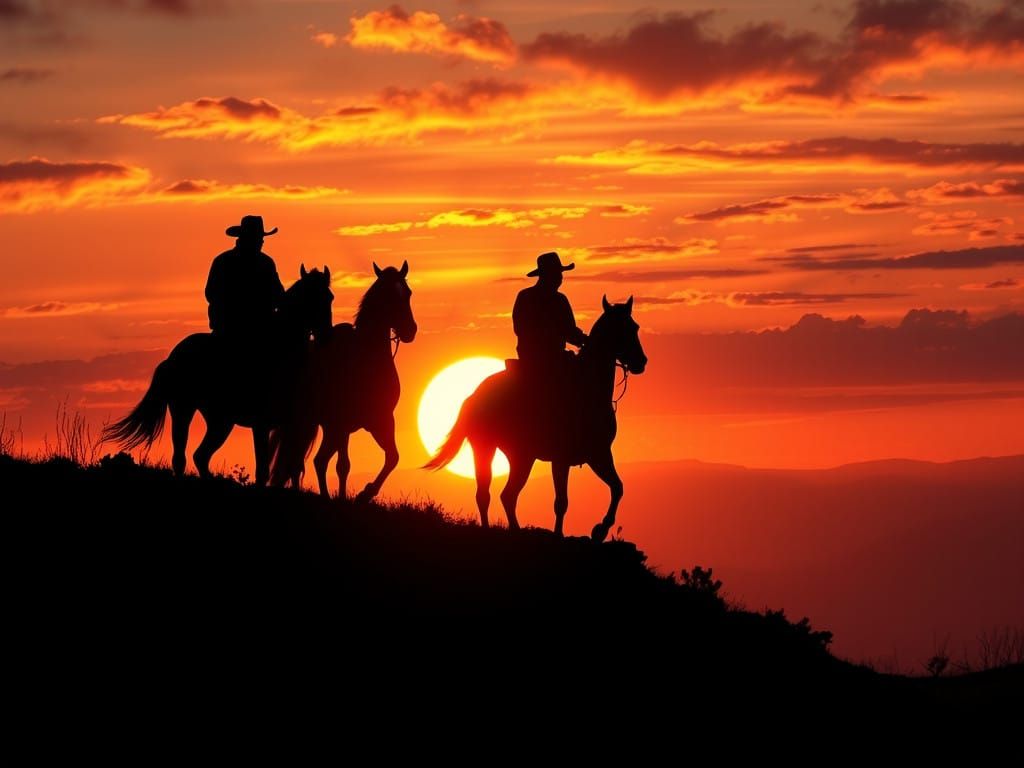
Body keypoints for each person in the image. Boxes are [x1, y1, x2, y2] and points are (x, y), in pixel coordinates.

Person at [205, 215, 285, 344]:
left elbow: (278, 295)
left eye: (261, 238)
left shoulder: (266, 263)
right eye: (258, 238)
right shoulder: (224, 262)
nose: (261, 241)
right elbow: (211, 294)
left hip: (263, 326)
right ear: (246, 238)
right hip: (229, 327)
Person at [512, 251, 587, 378]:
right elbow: (521, 329)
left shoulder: (559, 299)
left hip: (555, 356)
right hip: (533, 358)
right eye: (557, 273)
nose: (560, 277)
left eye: (560, 274)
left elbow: (570, 330)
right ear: (546, 275)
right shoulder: (527, 297)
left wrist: (584, 340)